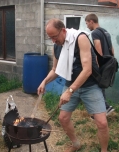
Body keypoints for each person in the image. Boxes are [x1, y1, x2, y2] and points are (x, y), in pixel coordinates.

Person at [37, 18, 109, 152]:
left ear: (63, 30)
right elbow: (55, 70)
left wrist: (69, 91)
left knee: (102, 123)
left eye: (54, 36)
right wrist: (44, 81)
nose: (53, 40)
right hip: (71, 85)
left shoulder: (80, 38)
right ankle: (76, 144)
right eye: (50, 38)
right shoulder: (56, 46)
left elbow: (87, 70)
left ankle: (104, 150)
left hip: (90, 86)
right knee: (63, 118)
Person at [85, 13, 115, 117]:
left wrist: (98, 66)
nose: (87, 26)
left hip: (102, 64)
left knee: (97, 86)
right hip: (109, 62)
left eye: (87, 23)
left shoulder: (95, 33)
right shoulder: (105, 32)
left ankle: (104, 108)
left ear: (91, 21)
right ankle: (102, 109)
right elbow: (112, 49)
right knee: (100, 86)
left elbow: (98, 50)